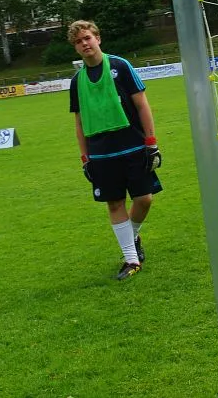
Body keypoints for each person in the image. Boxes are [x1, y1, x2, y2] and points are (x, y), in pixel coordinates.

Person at [68, 20, 162, 281]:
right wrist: (85, 157)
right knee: (115, 203)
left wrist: (151, 143)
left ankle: (132, 236)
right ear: (75, 48)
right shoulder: (76, 81)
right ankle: (131, 259)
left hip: (133, 145)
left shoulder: (120, 66)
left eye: (87, 38)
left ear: (98, 38)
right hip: (101, 153)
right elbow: (79, 122)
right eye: (78, 41)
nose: (84, 44)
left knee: (144, 199)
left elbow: (142, 105)